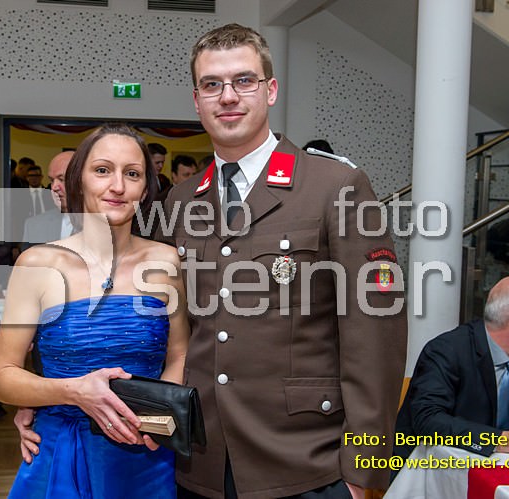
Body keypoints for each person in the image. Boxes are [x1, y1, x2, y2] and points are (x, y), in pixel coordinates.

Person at [154, 23, 406, 498]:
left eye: (243, 80)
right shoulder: (181, 201)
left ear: (270, 90)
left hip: (306, 461)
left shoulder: (336, 187)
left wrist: (364, 470)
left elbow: (374, 336)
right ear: (196, 100)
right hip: (202, 462)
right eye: (212, 84)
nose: (228, 96)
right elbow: (175, 325)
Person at [0, 123, 189, 498]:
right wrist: (75, 391)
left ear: (145, 189)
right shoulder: (37, 264)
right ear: (78, 181)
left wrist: (156, 415)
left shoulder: (166, 262)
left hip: (144, 452)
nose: (118, 186)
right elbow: (1, 378)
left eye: (132, 174)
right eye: (102, 170)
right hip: (62, 450)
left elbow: (180, 354)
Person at [395, 276, 509, 465]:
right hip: (432, 468)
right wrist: (503, 440)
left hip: (502, 468)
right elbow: (428, 420)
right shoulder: (447, 351)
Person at [21, 151, 76, 251]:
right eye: (52, 180)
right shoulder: (33, 225)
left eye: (61, 179)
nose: (54, 187)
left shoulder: (103, 225)